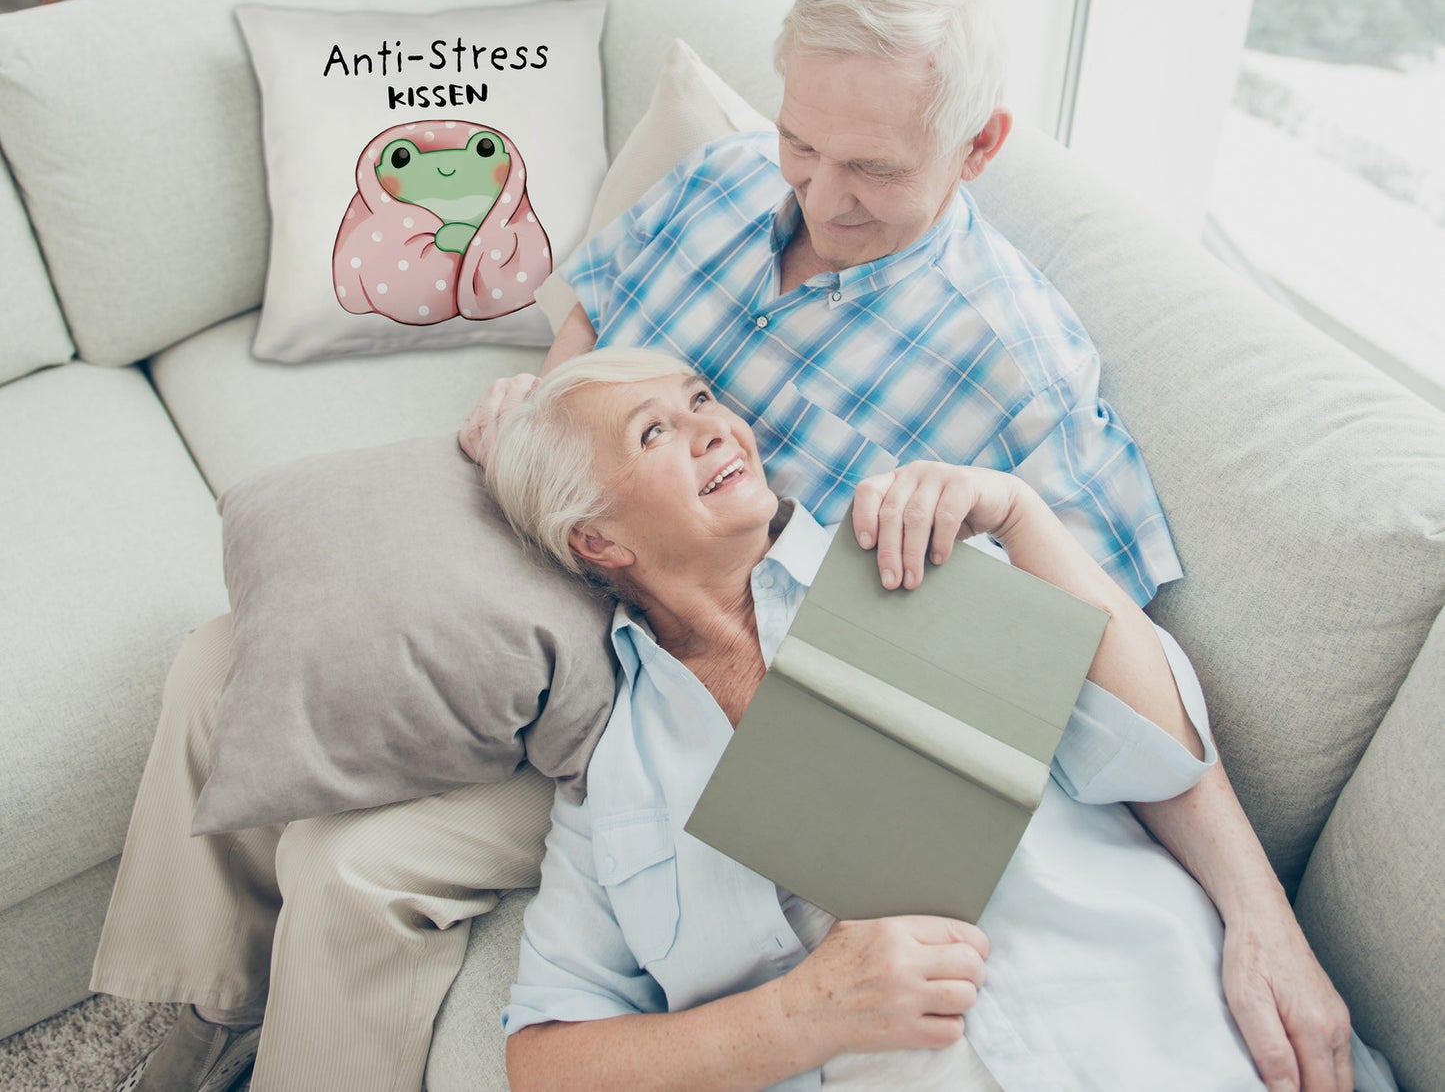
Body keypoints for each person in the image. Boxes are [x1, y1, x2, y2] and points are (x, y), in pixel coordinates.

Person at [94, 0, 1349, 1092]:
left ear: (976, 148)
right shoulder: (725, 179)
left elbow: (1102, 666)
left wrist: (1259, 913)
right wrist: (546, 412)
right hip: (580, 533)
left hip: (694, 659)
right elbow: (591, 312)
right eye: (804, 142)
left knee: (355, 866)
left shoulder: (1017, 372)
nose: (819, 192)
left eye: (871, 167)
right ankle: (194, 1009)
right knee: (229, 654)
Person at [486, 348, 1386, 1092]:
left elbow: (1158, 753)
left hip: (1173, 1041)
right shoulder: (615, 778)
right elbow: (545, 1061)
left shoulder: (909, 554)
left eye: (700, 398)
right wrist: (803, 1013)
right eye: (655, 431)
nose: (715, 426)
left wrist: (1021, 516)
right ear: (597, 540)